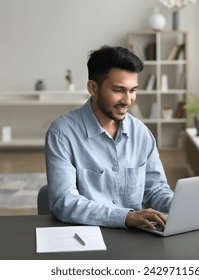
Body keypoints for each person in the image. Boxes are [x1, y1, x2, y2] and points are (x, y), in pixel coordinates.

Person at [45, 45, 173, 229]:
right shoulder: (62, 134)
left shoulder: (141, 133)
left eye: (132, 90)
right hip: (87, 238)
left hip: (137, 238)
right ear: (93, 88)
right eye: (119, 90)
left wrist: (184, 206)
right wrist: (125, 217)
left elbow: (155, 190)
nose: (127, 100)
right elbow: (64, 202)